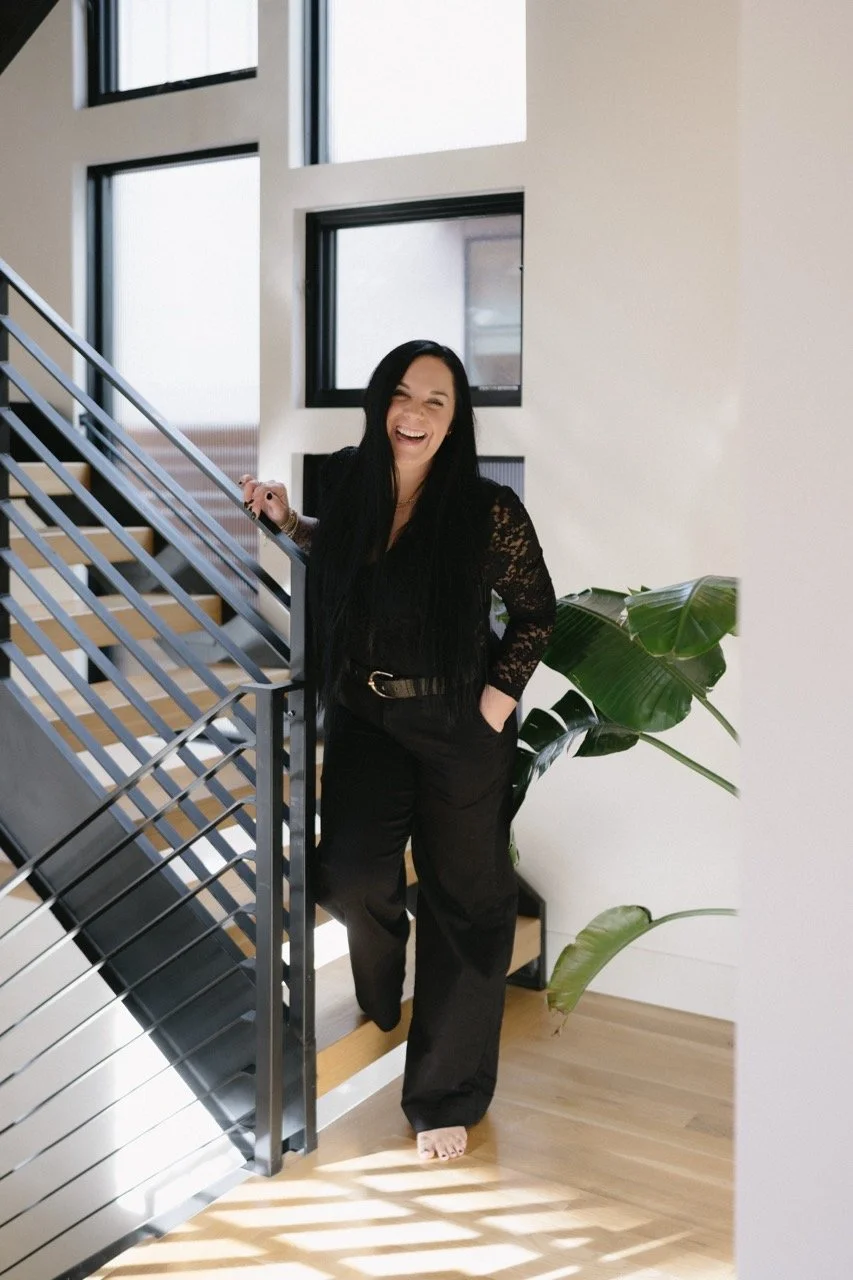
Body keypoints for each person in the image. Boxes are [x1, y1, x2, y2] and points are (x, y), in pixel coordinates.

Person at [240, 339, 555, 1161]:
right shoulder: (353, 478)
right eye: (401, 395)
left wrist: (492, 706)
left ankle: (443, 1097)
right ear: (380, 401)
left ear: (454, 421)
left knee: (465, 902)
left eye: (434, 402)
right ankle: (382, 979)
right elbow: (346, 551)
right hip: (365, 714)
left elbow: (536, 612)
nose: (413, 414)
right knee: (347, 872)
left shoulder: (486, 510)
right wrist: (288, 524)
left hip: (459, 723)